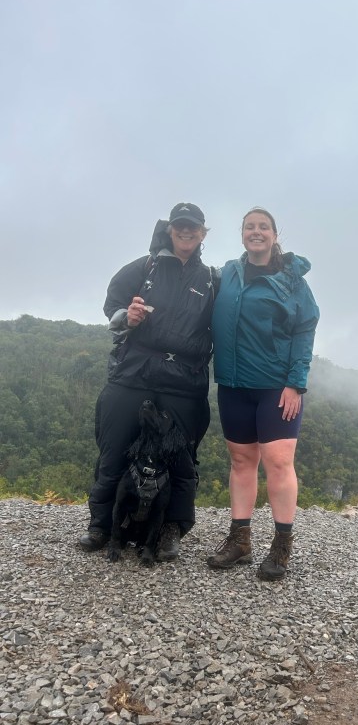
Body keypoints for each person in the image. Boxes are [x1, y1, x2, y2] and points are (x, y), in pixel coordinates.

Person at [80, 202, 218, 560]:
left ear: (204, 233)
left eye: (193, 227)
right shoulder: (144, 267)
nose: (186, 232)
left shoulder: (212, 280)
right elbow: (112, 304)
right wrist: (128, 316)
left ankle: (172, 529)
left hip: (183, 382)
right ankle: (101, 526)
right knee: (114, 450)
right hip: (132, 373)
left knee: (183, 458)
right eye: (179, 226)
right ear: (169, 230)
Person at [206, 207, 319, 580]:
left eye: (263, 227)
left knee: (278, 462)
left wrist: (296, 381)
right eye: (249, 227)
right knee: (241, 461)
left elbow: (305, 328)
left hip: (275, 385)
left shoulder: (291, 279)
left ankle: (282, 545)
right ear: (242, 235)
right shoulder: (228, 275)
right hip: (234, 384)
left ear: (273, 235)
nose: (256, 232)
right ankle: (240, 540)